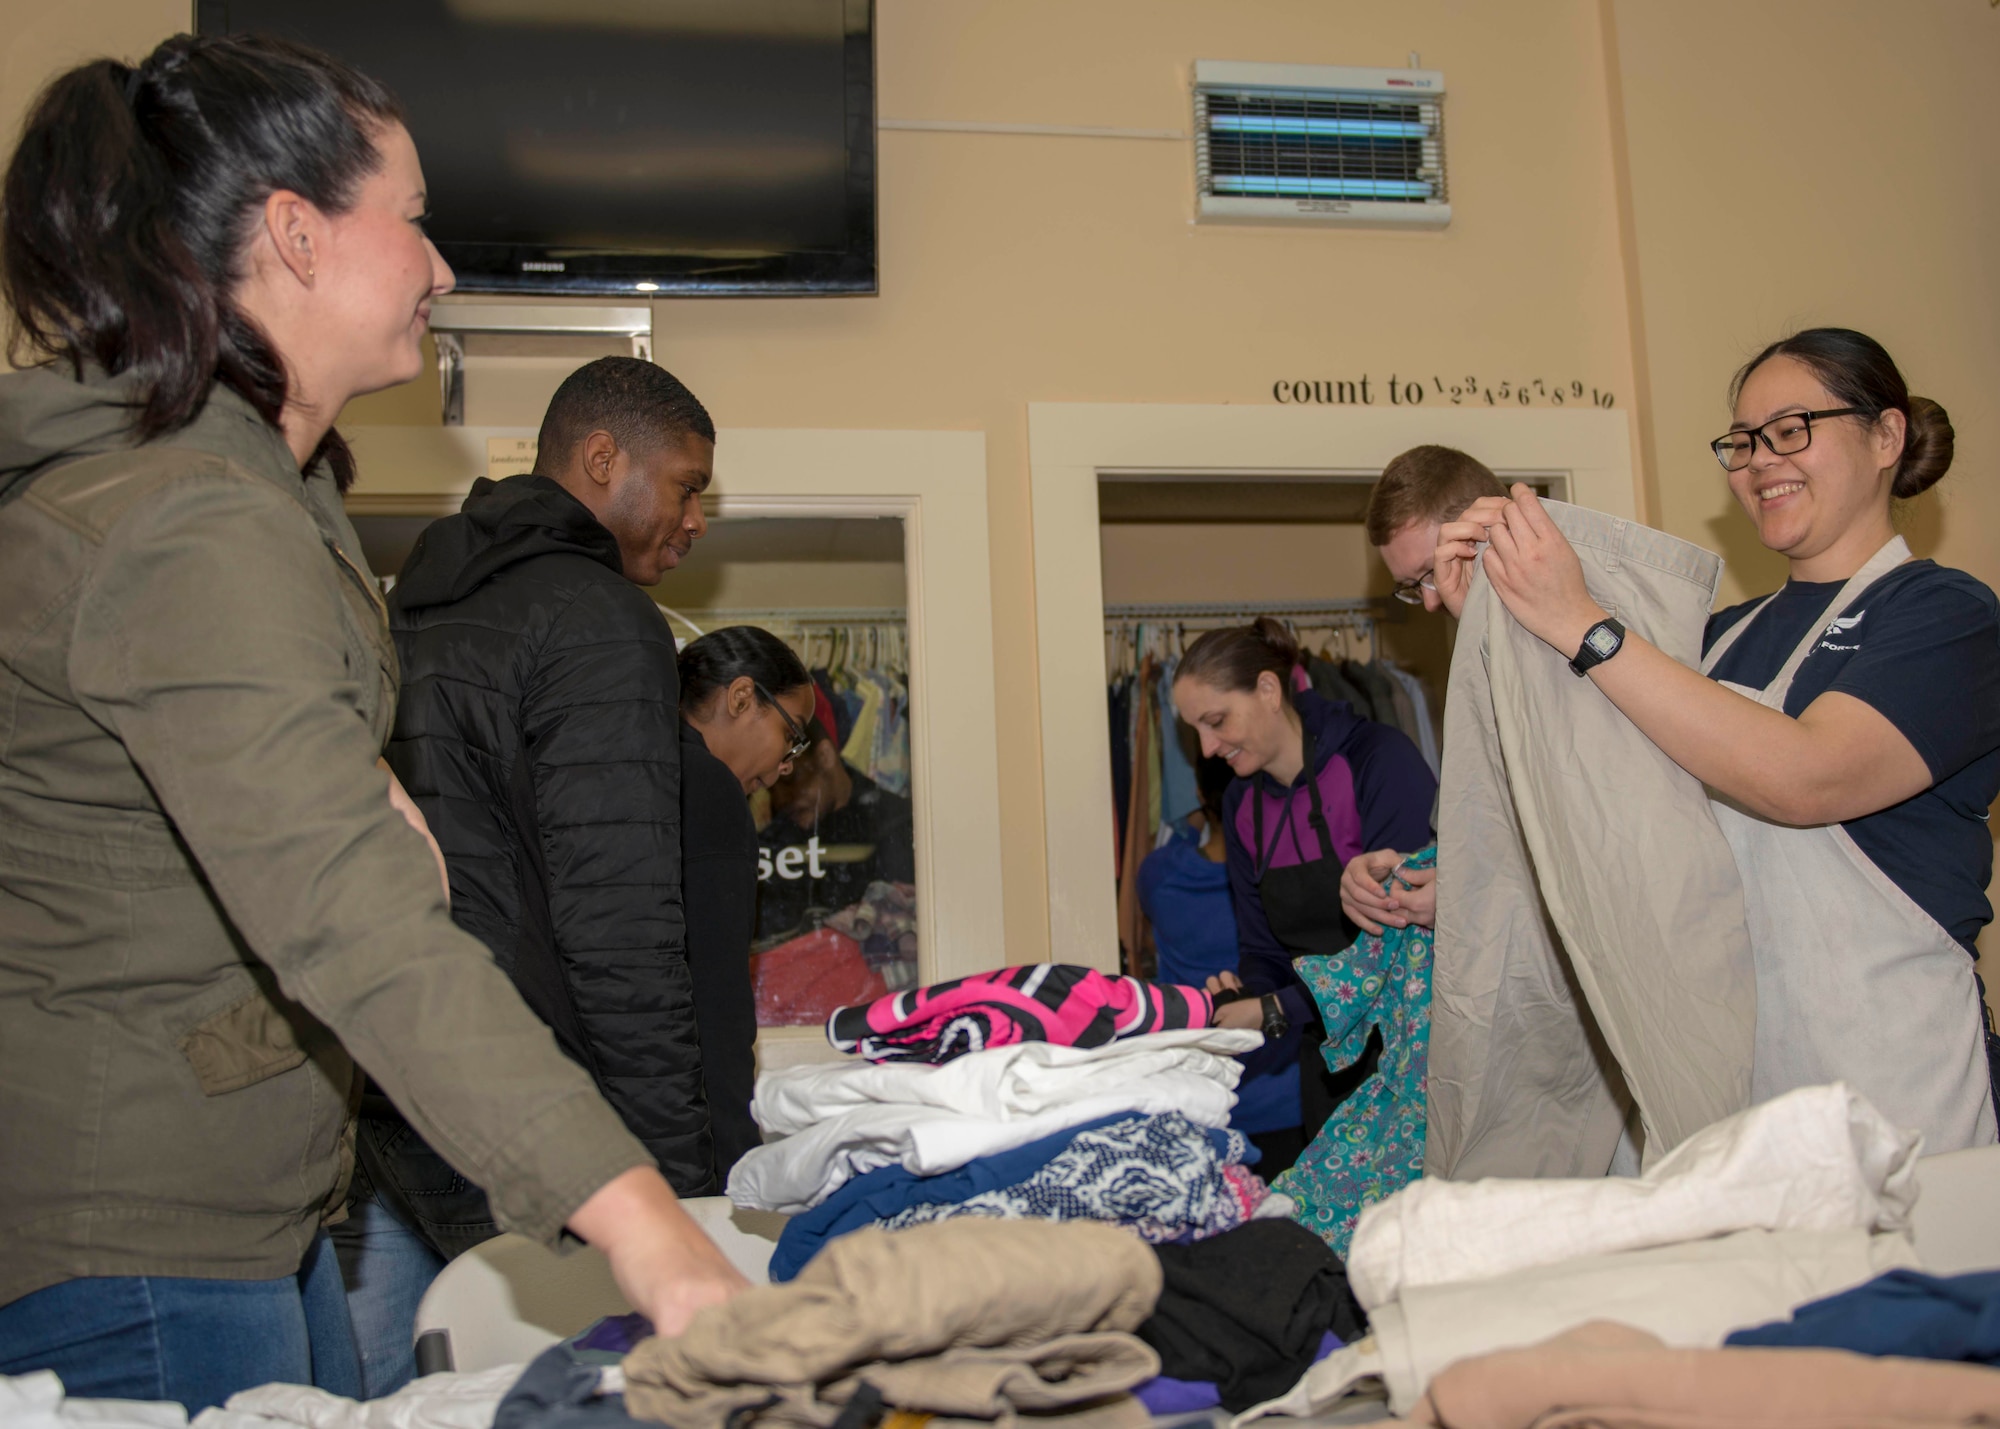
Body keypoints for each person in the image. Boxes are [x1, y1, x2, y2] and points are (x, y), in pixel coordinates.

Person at [0, 34, 741, 1413]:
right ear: (294, 233)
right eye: (409, 218)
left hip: (246, 1209)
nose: (442, 268)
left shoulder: (242, 497)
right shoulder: (189, 520)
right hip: (146, 1233)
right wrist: (650, 1224)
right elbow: (351, 916)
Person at [1437, 327, 2000, 1149]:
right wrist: (1506, 619)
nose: (1760, 461)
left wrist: (1580, 621)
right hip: (1726, 1084)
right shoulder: (1718, 637)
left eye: (1792, 429)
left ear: (1887, 436)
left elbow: (1805, 776)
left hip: (1888, 1087)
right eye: (1743, 442)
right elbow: (1605, 794)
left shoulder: (1947, 617)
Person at [337, 356, 720, 1392]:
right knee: (591, 1399)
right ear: (603, 459)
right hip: (513, 1099)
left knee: (404, 1404)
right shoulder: (597, 618)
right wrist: (674, 1185)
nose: (696, 519)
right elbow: (621, 918)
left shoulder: (410, 600)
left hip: (376, 1093)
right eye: (686, 485)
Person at [1170, 619, 1437, 1158]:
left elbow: (1399, 945)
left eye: (1216, 721)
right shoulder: (1241, 807)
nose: (1206, 746)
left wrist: (1272, 1010)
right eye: (1195, 729)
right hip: (1324, 1064)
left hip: (1417, 1054)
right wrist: (1245, 1000)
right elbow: (1265, 949)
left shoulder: (1378, 761)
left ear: (1269, 690)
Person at [1338, 446, 1510, 936]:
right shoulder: (1477, 659)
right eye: (1413, 585)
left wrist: (1467, 893)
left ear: (1490, 529)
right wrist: (1405, 872)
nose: (1431, 603)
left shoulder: (1573, 650)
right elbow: (1485, 836)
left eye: (1434, 573)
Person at [677, 628, 819, 1185]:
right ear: (740, 698)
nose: (788, 765)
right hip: (684, 1129)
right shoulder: (711, 790)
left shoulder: (633, 767)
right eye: (793, 734)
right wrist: (735, 1153)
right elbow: (716, 994)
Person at [1137, 754, 1308, 1169]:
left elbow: (1180, 842)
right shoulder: (1283, 883)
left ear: (1202, 797)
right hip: (1288, 1101)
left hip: (1203, 1102)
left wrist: (1193, 819)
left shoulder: (1160, 876)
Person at [757, 716, 917, 942]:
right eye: (771, 788)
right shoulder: (773, 843)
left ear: (825, 756)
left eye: (790, 779)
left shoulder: (896, 826)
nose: (782, 798)